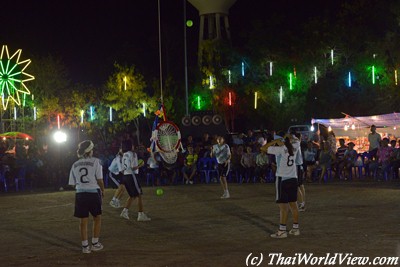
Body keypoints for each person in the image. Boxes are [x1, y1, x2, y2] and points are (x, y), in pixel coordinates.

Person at [261, 134, 301, 238]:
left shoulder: (280, 149)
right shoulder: (296, 146)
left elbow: (263, 148)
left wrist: (275, 141)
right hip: (293, 178)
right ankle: (295, 228)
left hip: (282, 179)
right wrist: (289, 137)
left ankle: (282, 230)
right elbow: (296, 139)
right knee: (294, 204)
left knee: (283, 207)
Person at [68, 140, 105, 254]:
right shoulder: (96, 162)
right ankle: (95, 244)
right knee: (97, 218)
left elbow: (72, 183)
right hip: (93, 192)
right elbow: (99, 179)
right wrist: (103, 190)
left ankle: (85, 246)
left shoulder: (75, 164)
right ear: (89, 151)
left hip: (80, 193)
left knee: (83, 221)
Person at [119, 139, 151, 222]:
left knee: (132, 195)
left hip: (125, 176)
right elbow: (133, 168)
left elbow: (122, 169)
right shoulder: (133, 154)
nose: (133, 146)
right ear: (130, 146)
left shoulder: (124, 155)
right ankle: (141, 215)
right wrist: (141, 165)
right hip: (132, 176)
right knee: (139, 195)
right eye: (132, 144)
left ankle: (124, 211)